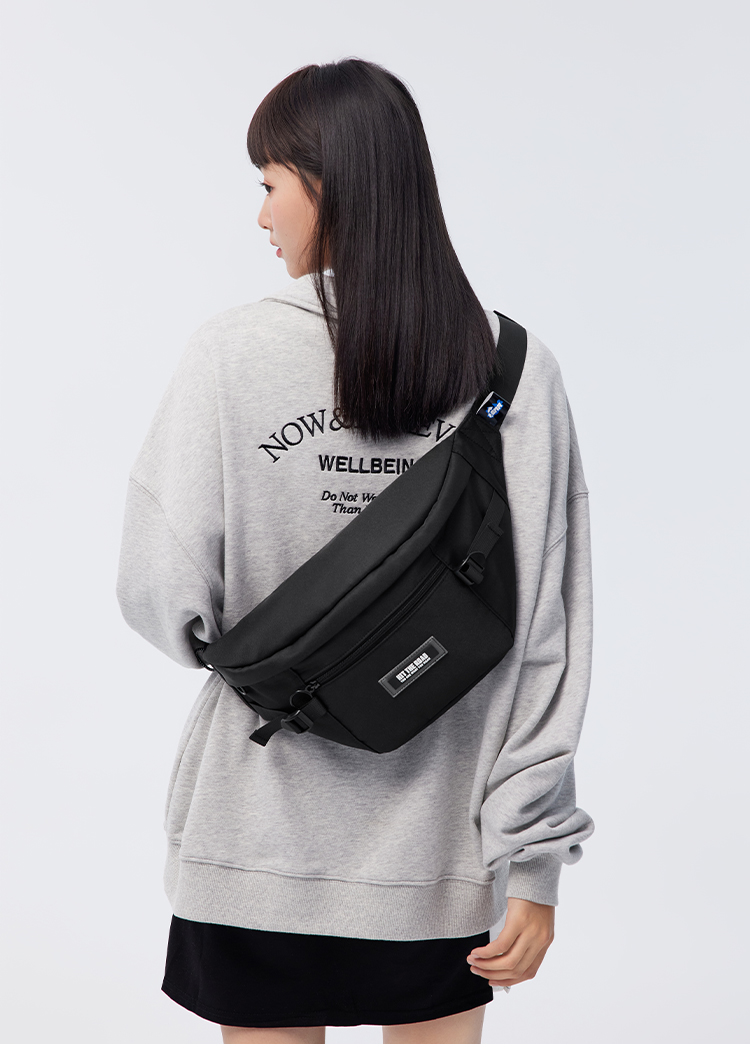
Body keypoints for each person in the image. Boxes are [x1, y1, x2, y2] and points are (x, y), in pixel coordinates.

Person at [116, 58, 595, 1046]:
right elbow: (544, 637)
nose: (262, 216)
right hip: (440, 860)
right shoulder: (512, 371)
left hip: (252, 838)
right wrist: (533, 859)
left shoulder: (229, 357)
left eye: (269, 184)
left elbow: (160, 591)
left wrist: (274, 649)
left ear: (324, 182)